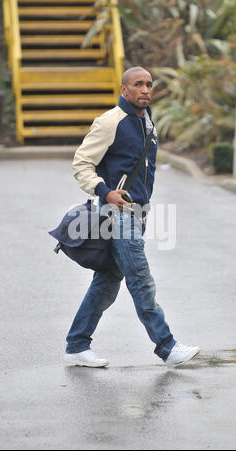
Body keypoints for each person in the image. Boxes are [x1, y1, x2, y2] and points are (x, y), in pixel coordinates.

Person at [64, 67, 200, 368]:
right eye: (138, 84)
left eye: (149, 84)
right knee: (140, 278)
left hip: (136, 213)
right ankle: (167, 346)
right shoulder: (111, 121)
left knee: (107, 282)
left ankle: (76, 344)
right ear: (124, 89)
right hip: (117, 212)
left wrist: (143, 211)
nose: (145, 89)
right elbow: (82, 163)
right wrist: (105, 191)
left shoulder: (147, 122)